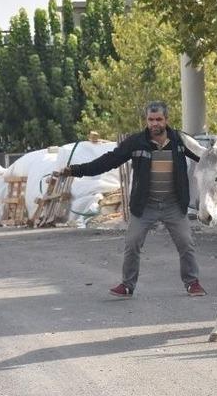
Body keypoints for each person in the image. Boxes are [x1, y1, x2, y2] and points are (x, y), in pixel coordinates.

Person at [61, 101, 206, 298]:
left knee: (186, 243)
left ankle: (192, 283)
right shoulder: (136, 142)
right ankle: (127, 285)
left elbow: (205, 158)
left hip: (173, 203)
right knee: (132, 243)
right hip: (145, 205)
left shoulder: (180, 141)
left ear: (166, 120)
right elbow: (107, 161)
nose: (155, 124)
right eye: (150, 120)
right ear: (146, 120)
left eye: (159, 119)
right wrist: (75, 170)